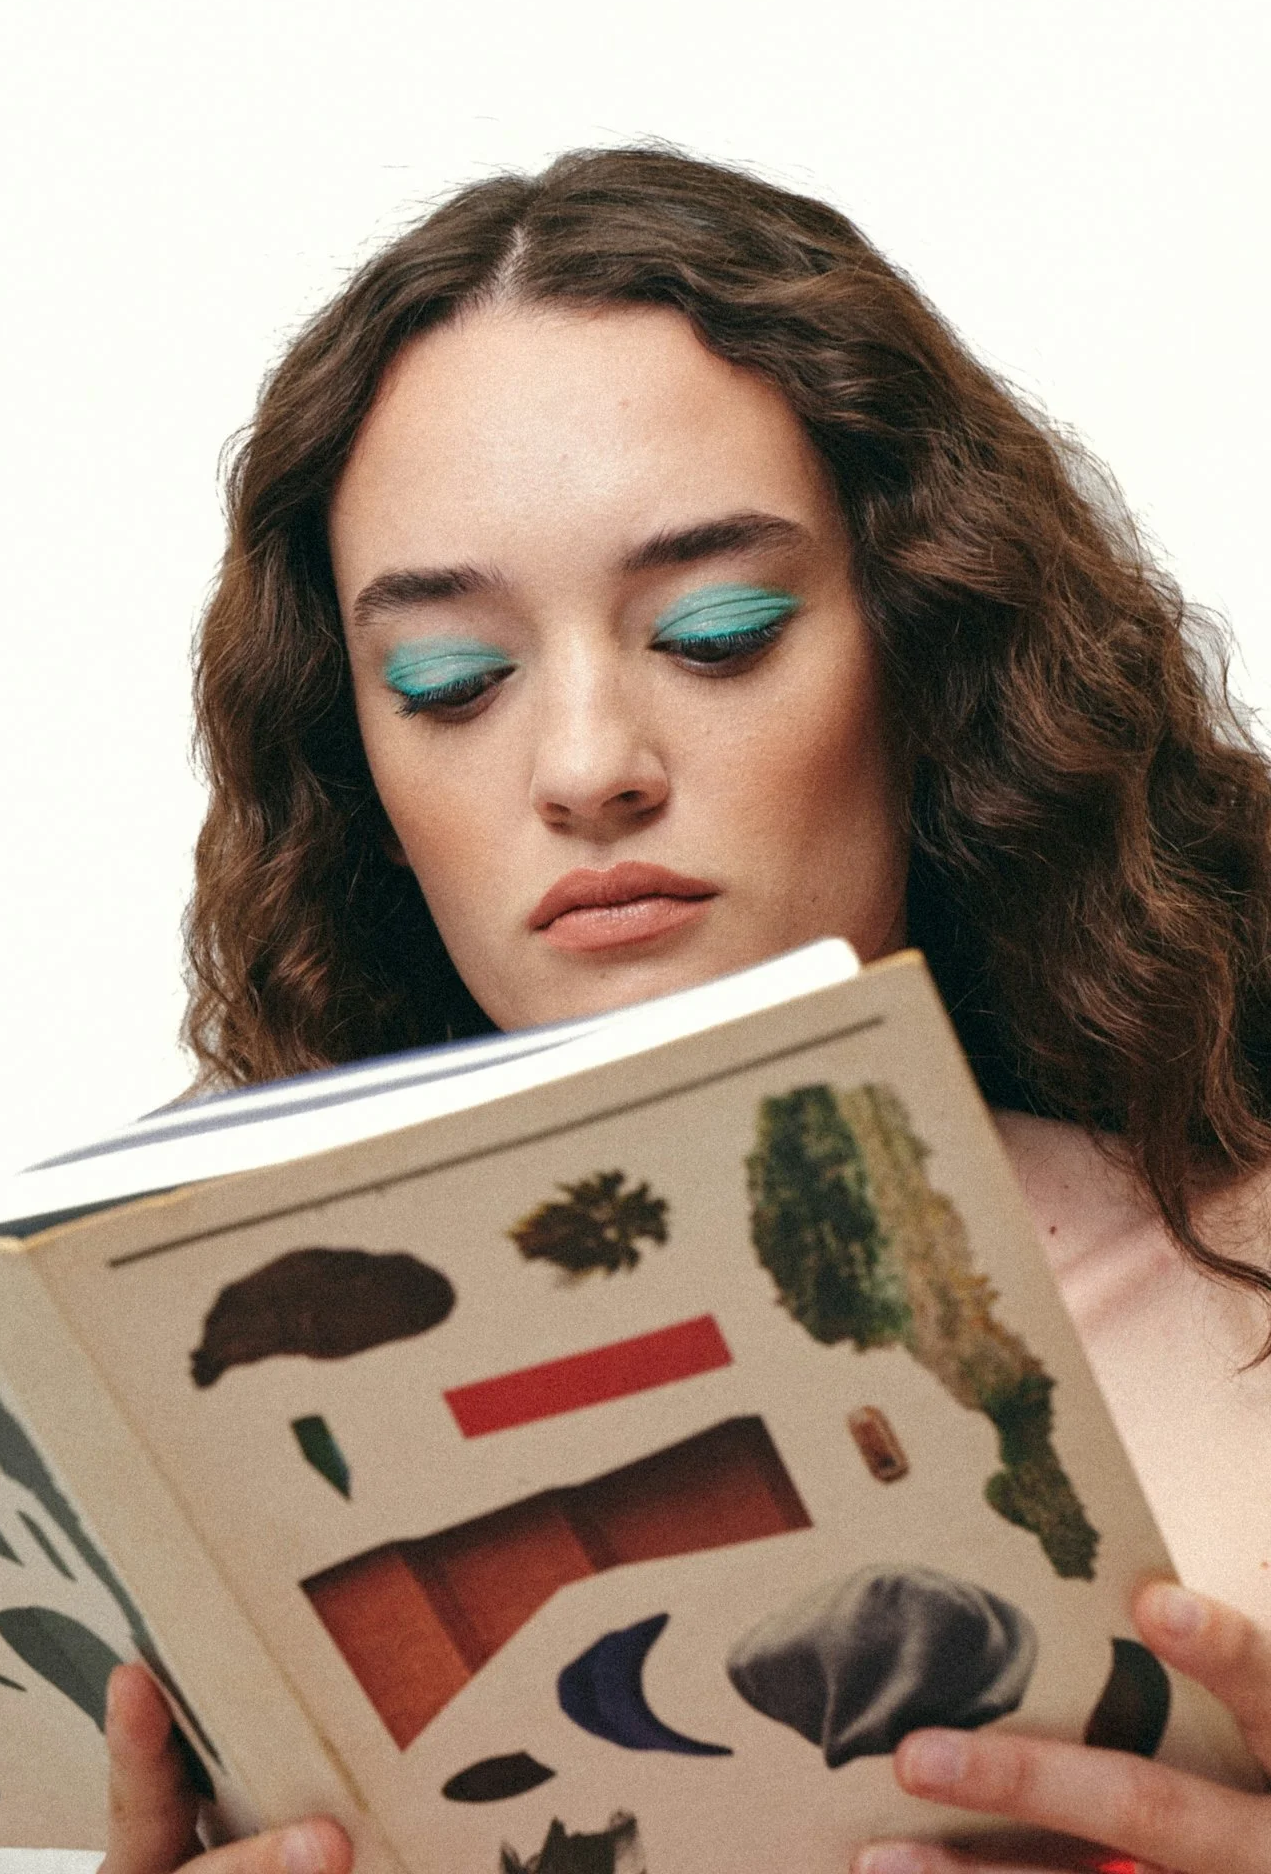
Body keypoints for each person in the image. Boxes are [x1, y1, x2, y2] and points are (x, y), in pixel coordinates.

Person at [101, 147, 1271, 1874]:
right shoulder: (194, 1431)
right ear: (358, 759)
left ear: (925, 649)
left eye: (714, 633)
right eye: (450, 680)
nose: (585, 769)